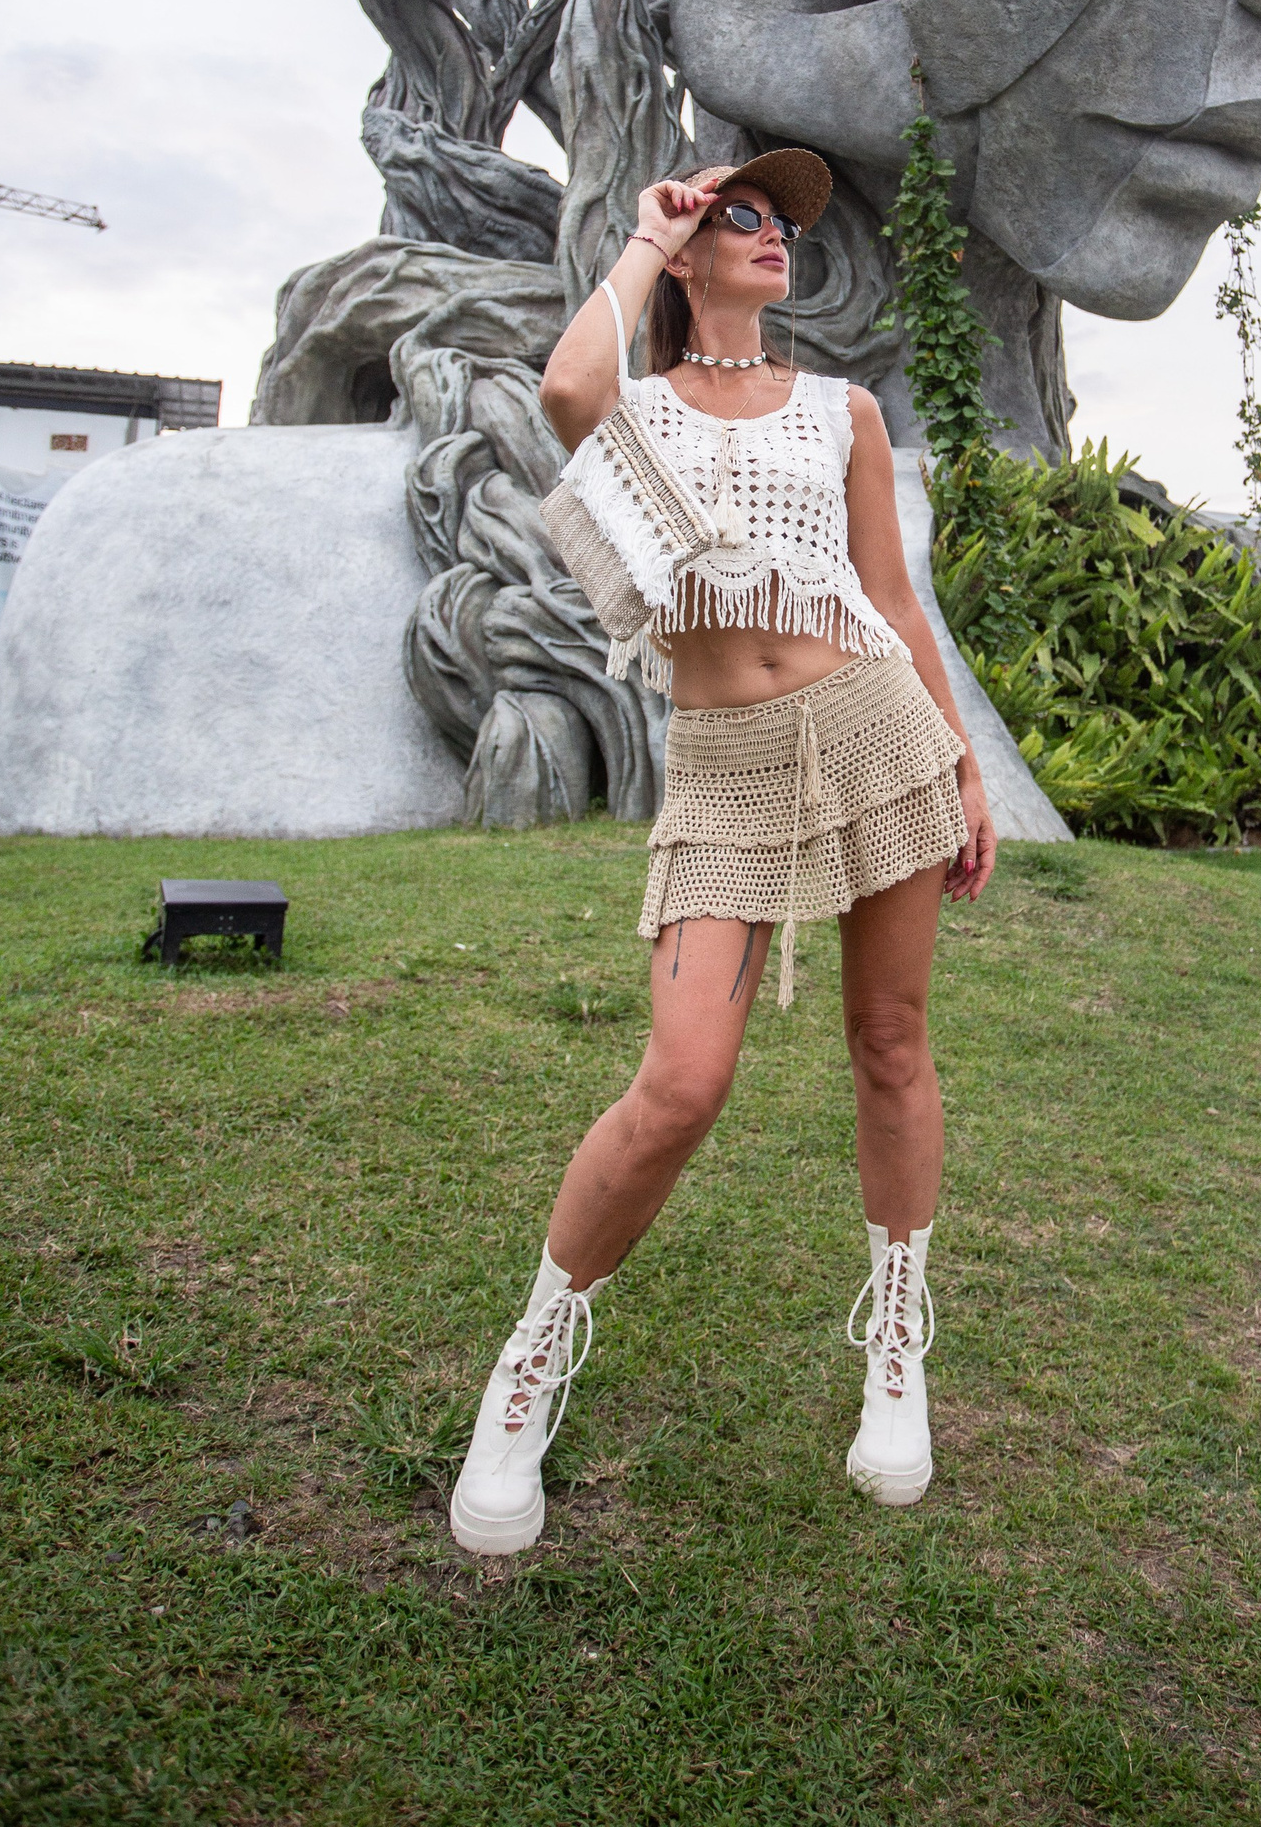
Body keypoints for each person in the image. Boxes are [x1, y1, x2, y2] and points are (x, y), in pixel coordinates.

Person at [448, 150, 997, 1555]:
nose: (771, 236)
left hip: (873, 731)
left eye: (781, 221)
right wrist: (649, 235)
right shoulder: (637, 413)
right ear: (690, 250)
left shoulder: (842, 411)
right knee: (682, 1083)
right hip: (725, 769)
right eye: (739, 216)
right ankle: (531, 1360)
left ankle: (896, 1345)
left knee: (891, 1043)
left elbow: (892, 598)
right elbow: (564, 389)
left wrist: (961, 758)